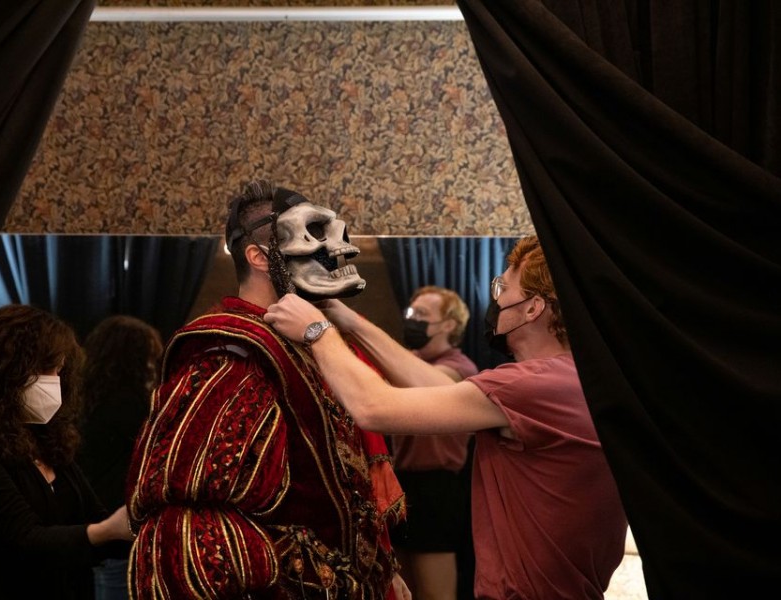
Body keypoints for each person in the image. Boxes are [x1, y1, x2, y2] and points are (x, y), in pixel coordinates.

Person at [265, 236, 628, 599]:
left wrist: (317, 331)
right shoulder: (571, 378)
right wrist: (350, 321)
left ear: (533, 308)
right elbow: (436, 386)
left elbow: (373, 407)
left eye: (503, 288)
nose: (497, 300)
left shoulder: (531, 385)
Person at [125, 179, 410, 599]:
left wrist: (380, 571)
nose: (331, 252)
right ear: (259, 257)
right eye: (310, 237)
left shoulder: (306, 341)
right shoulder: (232, 351)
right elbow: (195, 513)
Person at [0, 304, 135, 600]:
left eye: (59, 371)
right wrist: (106, 531)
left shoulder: (45, 439)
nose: (54, 382)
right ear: (5, 369)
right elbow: (24, 539)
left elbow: (94, 518)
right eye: (46, 369)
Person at [393, 286, 477, 600]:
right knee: (403, 590)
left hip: (438, 488)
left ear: (449, 325)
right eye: (411, 313)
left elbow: (421, 384)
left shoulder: (459, 367)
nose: (413, 320)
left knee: (434, 592)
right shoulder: (409, 361)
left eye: (423, 314)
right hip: (404, 485)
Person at [76, 315, 164, 600]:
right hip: (122, 530)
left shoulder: (82, 401)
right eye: (149, 358)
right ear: (135, 360)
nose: (153, 367)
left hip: (92, 529)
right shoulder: (132, 405)